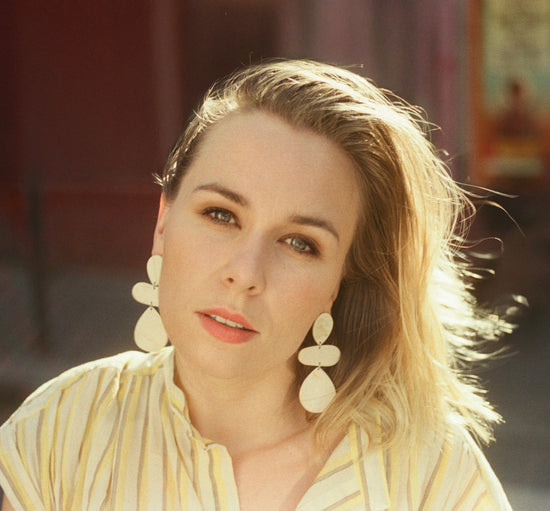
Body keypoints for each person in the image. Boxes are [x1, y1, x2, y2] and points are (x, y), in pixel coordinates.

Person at [0, 59, 513, 510]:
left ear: (337, 283)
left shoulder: (430, 475)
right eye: (221, 215)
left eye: (300, 244)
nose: (245, 274)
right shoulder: (63, 428)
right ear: (163, 222)